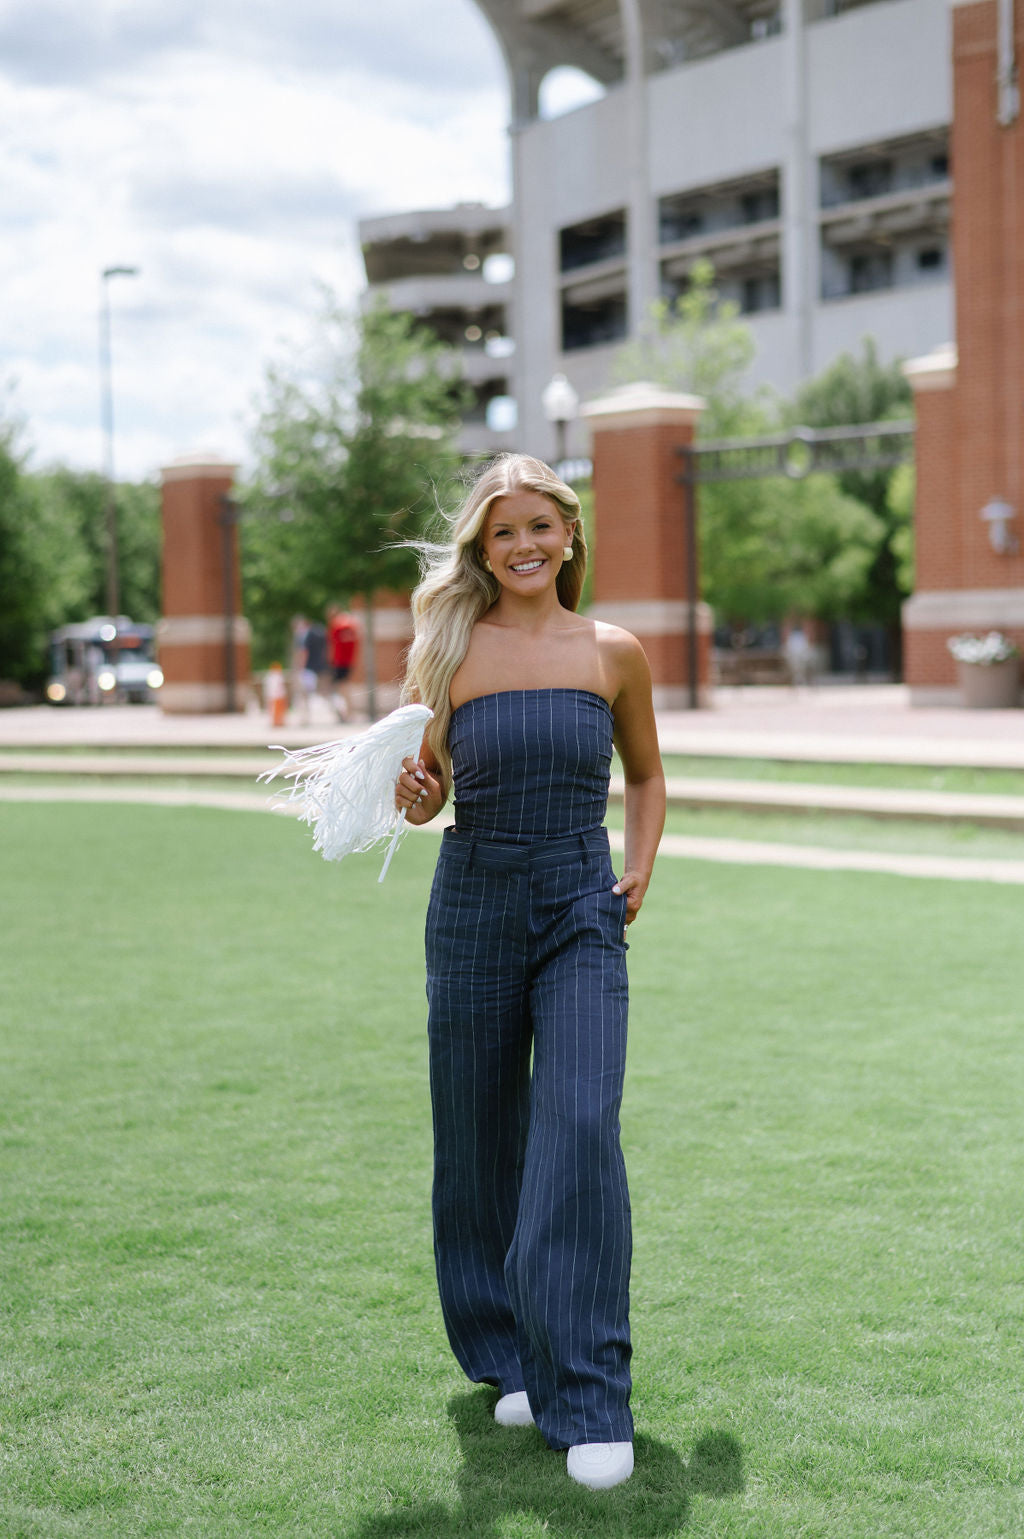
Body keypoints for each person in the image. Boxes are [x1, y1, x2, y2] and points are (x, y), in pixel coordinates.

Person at [394, 454, 665, 1492]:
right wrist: (416, 796)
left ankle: (588, 1391)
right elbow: (419, 796)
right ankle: (502, 1348)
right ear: (480, 545)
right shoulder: (446, 651)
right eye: (502, 532)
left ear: (569, 534)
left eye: (540, 526)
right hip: (472, 899)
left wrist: (638, 863)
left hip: (579, 903)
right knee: (477, 1131)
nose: (523, 546)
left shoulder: (613, 652)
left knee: (580, 1127)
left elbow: (645, 775)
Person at [326, 602, 360, 721]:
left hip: (339, 661)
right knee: (344, 686)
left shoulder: (336, 626)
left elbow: (333, 645)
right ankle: (349, 711)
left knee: (341, 687)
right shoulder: (350, 625)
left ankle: (347, 713)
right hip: (348, 661)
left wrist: (330, 660)